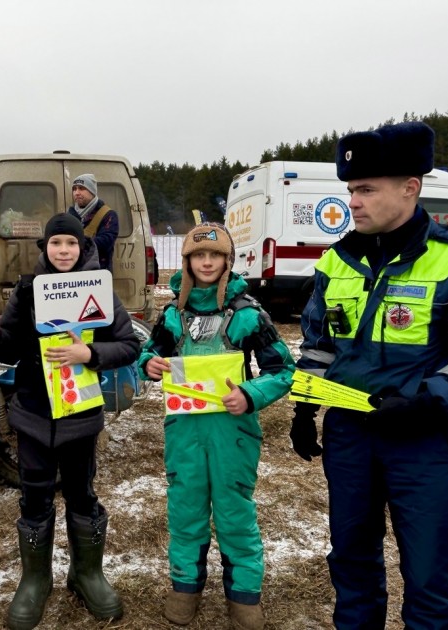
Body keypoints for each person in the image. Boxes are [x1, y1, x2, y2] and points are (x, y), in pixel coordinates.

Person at [290, 121, 448, 629]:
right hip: (350, 439)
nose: (355, 201)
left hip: (423, 442)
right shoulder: (337, 261)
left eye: (367, 189)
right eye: (351, 190)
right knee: (350, 563)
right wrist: (306, 405)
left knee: (429, 578)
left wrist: (429, 403)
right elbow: (320, 343)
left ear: (410, 188)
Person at [0, 213, 138, 629]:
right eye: (55, 244)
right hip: (33, 415)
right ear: (44, 248)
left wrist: (90, 355)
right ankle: (36, 578)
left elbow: (129, 346)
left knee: (82, 494)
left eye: (70, 243)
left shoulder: (97, 289)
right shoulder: (29, 291)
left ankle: (86, 573)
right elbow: (10, 349)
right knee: (34, 497)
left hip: (80, 416)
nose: (63, 251)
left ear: (82, 246)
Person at [138, 222, 295, 629]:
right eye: (197, 255)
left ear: (228, 261)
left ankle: (244, 594)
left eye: (215, 255)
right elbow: (148, 354)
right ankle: (184, 586)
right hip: (184, 430)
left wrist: (250, 394)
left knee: (234, 511)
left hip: (233, 431)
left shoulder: (247, 313)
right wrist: (149, 365)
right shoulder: (174, 314)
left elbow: (282, 369)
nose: (206, 262)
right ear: (187, 261)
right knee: (185, 508)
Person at [67, 173, 119, 271]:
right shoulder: (69, 215)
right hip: (73, 274)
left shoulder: (108, 215)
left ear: (92, 191)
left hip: (98, 274)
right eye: (74, 189)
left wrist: (74, 244)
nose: (76, 193)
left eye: (81, 188)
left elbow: (105, 242)